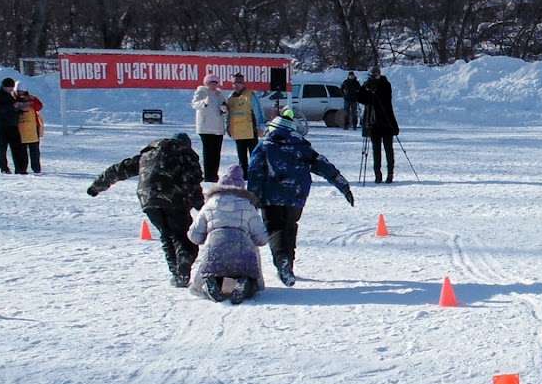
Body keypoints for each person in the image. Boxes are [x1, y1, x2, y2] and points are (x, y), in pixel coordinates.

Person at [246, 108, 355, 286]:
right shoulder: (302, 145)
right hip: (296, 194)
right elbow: (323, 165)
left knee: (275, 228)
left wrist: (252, 199)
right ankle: (289, 264)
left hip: (271, 194)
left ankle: (282, 259)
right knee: (289, 226)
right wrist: (342, 185)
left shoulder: (265, 146)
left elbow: (255, 172)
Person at [86, 134, 205, 287]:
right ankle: (183, 267)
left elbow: (119, 169)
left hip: (149, 200)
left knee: (167, 235)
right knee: (184, 238)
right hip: (175, 200)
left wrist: (96, 186)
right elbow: (192, 183)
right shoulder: (186, 156)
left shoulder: (148, 154)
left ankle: (176, 273)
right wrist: (204, 208)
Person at [187, 166, 269, 303]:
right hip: (242, 248)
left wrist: (204, 238)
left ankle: (211, 282)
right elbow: (261, 239)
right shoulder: (247, 205)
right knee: (248, 272)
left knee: (213, 269)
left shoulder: (210, 205)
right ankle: (244, 282)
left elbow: (194, 235)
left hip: (215, 246)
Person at [360, 65, 399, 183]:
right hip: (373, 123)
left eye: (375, 75)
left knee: (388, 149)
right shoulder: (368, 85)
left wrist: (374, 90)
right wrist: (365, 88)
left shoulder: (385, 84)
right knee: (376, 150)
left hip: (386, 122)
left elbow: (384, 99)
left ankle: (390, 173)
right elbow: (361, 98)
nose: (374, 78)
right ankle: (377, 173)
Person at [224, 73, 266, 174]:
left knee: (254, 156)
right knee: (242, 159)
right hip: (238, 133)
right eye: (234, 83)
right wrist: (228, 128)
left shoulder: (250, 95)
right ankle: (244, 176)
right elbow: (228, 115)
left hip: (250, 131)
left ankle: (255, 174)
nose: (236, 86)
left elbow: (258, 112)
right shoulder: (231, 98)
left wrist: (260, 127)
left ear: (243, 84)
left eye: (238, 83)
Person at [191, 75, 228, 181]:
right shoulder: (202, 91)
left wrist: (224, 110)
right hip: (206, 127)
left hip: (218, 128)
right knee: (208, 152)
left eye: (215, 82)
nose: (213, 84)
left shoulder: (219, 94)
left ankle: (214, 174)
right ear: (206, 83)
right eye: (211, 82)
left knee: (216, 152)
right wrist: (204, 103)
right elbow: (195, 104)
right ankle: (208, 175)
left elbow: (225, 110)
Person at [0, 77, 27, 174]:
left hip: (13, 124)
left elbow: (11, 109)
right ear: (4, 86)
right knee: (2, 148)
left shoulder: (9, 96)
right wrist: (13, 107)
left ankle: (20, 168)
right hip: (1, 125)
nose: (11, 89)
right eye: (9, 87)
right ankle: (4, 167)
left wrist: (20, 109)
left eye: (12, 87)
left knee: (17, 147)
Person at [15, 87, 45, 174]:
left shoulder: (32, 99)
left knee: (34, 151)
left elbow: (39, 107)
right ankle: (22, 168)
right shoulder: (13, 100)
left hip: (32, 130)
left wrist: (31, 102)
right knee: (21, 152)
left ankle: (36, 168)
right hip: (20, 130)